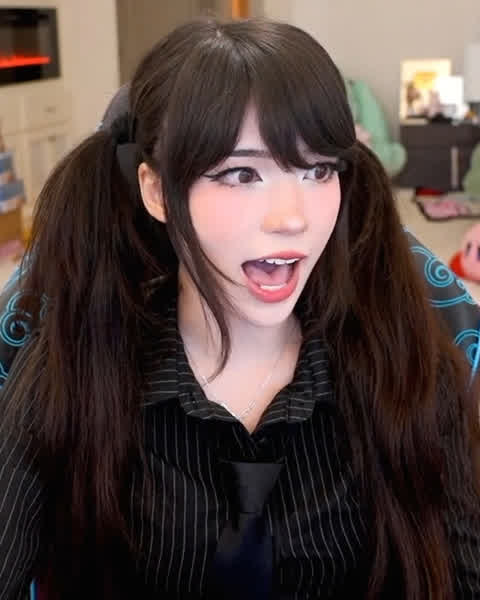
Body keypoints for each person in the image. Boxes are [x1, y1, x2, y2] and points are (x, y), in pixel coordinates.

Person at [0, 17, 479, 600]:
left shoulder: (404, 363)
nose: (292, 218)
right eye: (241, 173)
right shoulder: (72, 371)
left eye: (317, 170)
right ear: (157, 191)